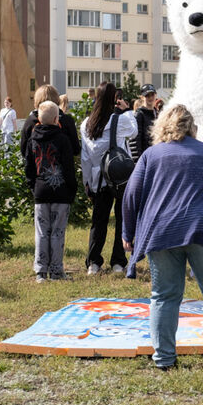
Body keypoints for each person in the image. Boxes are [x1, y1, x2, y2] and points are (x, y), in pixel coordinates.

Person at [121, 104, 203, 369]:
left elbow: (131, 194)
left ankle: (165, 359)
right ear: (192, 127)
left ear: (161, 126)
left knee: (164, 296)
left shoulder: (151, 155)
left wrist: (128, 231)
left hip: (162, 230)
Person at [81, 82, 137, 276]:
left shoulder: (87, 123)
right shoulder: (118, 121)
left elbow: (85, 158)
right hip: (119, 178)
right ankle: (118, 262)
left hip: (98, 179)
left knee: (98, 221)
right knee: (121, 220)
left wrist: (87, 181)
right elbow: (134, 130)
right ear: (115, 98)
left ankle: (93, 263)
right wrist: (127, 110)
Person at [24, 101, 77, 283]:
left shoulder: (33, 139)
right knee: (57, 232)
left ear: (38, 118)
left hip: (40, 191)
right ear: (57, 119)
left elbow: (28, 167)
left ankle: (40, 271)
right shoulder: (63, 139)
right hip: (60, 192)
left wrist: (33, 186)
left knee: (41, 232)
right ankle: (56, 271)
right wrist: (72, 189)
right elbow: (69, 168)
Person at [20, 84, 80, 159]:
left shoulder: (30, 121)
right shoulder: (67, 121)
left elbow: (24, 150)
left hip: (37, 167)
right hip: (61, 167)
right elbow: (76, 149)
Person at [132, 84, 159, 162]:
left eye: (152, 95)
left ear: (155, 95)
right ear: (142, 97)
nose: (150, 98)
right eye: (147, 96)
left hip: (156, 156)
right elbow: (135, 140)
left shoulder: (157, 113)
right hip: (145, 157)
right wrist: (138, 161)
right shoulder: (139, 114)